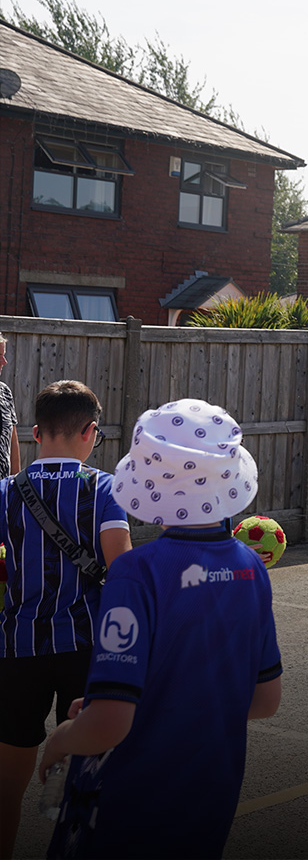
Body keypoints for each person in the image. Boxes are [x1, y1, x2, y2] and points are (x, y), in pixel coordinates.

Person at [39, 399, 282, 860]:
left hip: (126, 806)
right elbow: (265, 699)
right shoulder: (252, 568)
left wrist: (63, 738)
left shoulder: (136, 573)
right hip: (210, 798)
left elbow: (110, 724)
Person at [0, 380, 131, 860]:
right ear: (91, 432)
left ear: (35, 433)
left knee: (7, 782)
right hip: (85, 649)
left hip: (16, 649)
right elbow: (121, 572)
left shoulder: (6, 491)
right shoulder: (105, 489)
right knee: (85, 777)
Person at [0, 332, 20, 479]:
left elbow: (13, 441)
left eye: (4, 354)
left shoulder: (4, 391)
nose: (4, 361)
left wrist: (15, 485)